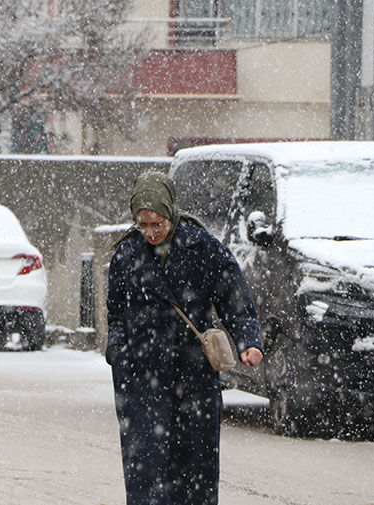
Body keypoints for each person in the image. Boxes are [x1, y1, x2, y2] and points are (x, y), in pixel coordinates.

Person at [106, 171, 263, 505]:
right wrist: (117, 352)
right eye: (142, 224)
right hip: (141, 375)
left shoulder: (202, 248)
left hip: (194, 377)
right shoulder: (125, 255)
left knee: (196, 471)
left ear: (170, 213)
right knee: (145, 471)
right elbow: (116, 311)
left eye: (157, 224)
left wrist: (248, 340)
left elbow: (235, 299)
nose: (149, 232)